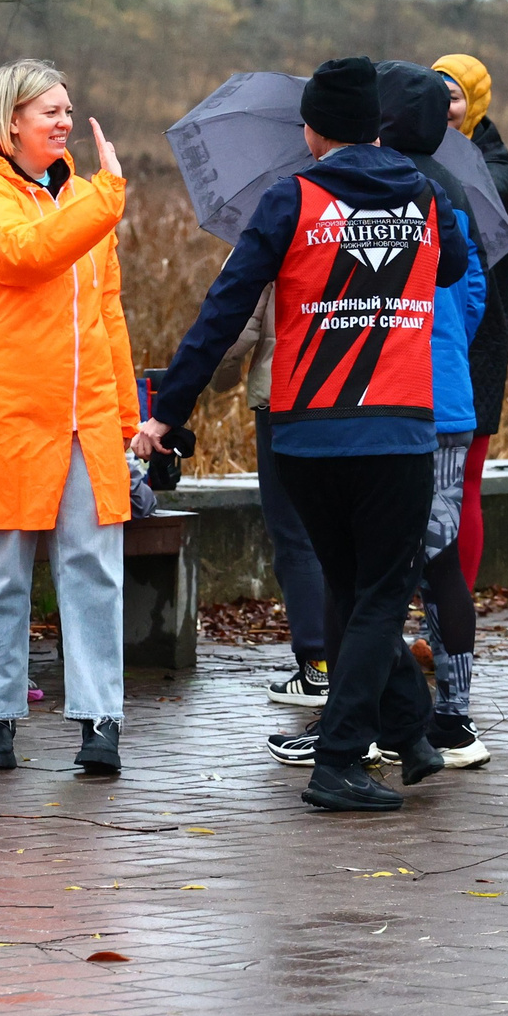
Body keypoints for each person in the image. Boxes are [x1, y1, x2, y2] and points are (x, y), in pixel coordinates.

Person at [140, 58, 470, 812]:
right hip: (395, 430)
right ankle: (338, 761)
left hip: (305, 433)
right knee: (382, 594)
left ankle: (412, 734)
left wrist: (168, 409)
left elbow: (223, 309)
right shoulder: (423, 195)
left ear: (313, 130)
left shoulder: (291, 198)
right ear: (379, 127)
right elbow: (452, 265)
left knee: (354, 591)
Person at [0, 60, 134, 775]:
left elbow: (107, 313)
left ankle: (99, 717)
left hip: (84, 417)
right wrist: (106, 200)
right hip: (7, 416)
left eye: (67, 109)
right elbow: (27, 256)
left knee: (93, 568)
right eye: (48, 110)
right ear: (11, 120)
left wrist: (124, 416)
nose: (63, 120)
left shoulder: (86, 201)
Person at [373, 61, 490, 769]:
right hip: (448, 395)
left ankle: (384, 715)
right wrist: (444, 342)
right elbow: (473, 292)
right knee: (440, 561)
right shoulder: (454, 192)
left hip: (390, 395)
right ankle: (455, 714)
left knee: (383, 559)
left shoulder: (375, 185)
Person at [429, 52, 508, 727]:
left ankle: (458, 600)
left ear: (478, 101)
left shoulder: (489, 162)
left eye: (455, 94)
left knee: (468, 484)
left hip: (474, 340)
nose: (446, 104)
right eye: (434, 92)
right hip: (441, 339)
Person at [208, 291, 332, 708]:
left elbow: (237, 321)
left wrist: (219, 375)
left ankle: (317, 667)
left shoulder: (274, 226)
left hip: (286, 395)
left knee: (294, 533)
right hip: (358, 397)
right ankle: (354, 663)